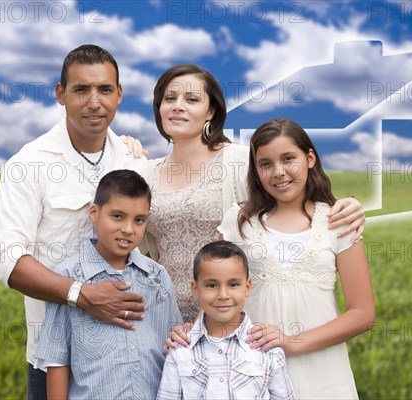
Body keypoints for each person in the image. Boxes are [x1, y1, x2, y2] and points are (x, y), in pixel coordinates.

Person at [0, 44, 148, 399]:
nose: (94, 101)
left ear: (119, 94)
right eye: (81, 89)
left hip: (127, 357)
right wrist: (82, 295)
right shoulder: (29, 163)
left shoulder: (135, 162)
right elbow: (3, 257)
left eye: (104, 89)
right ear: (61, 94)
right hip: (56, 361)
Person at [143, 64, 366, 324]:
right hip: (164, 319)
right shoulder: (145, 172)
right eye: (169, 98)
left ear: (211, 111)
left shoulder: (239, 161)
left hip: (234, 321)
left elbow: (292, 198)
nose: (178, 106)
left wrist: (349, 205)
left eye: (192, 99)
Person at [216, 118, 376, 399]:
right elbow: (216, 295)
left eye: (289, 158)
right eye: (265, 164)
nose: (278, 172)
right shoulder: (239, 222)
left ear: (310, 158)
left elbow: (362, 314)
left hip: (325, 377)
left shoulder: (338, 221)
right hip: (254, 373)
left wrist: (292, 342)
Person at [35, 170, 182, 399]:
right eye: (117, 216)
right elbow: (57, 360)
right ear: (94, 213)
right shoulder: (68, 277)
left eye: (139, 220)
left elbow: (173, 349)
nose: (128, 229)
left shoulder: (157, 277)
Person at [157, 240, 295, 400]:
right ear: (195, 289)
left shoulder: (268, 350)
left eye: (233, 284)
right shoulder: (180, 350)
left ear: (247, 287)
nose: (223, 295)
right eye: (211, 285)